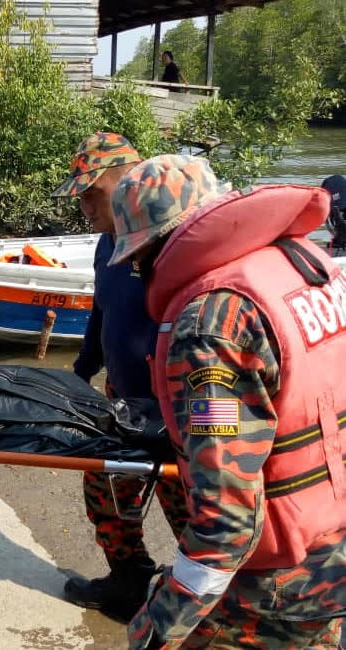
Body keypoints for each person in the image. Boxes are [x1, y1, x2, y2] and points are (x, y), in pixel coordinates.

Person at [108, 154, 346, 649]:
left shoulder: (211, 325)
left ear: (155, 247)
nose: (136, 271)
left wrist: (159, 625)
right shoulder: (306, 266)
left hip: (275, 590)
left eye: (135, 259)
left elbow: (227, 521)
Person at [51, 133, 189, 621]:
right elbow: (103, 311)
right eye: (80, 195)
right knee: (106, 496)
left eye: (93, 192)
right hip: (121, 401)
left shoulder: (175, 244)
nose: (85, 205)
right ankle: (127, 582)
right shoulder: (108, 243)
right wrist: (81, 372)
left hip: (181, 415)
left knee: (197, 516)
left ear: (129, 182)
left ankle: (211, 606)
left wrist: (214, 431)